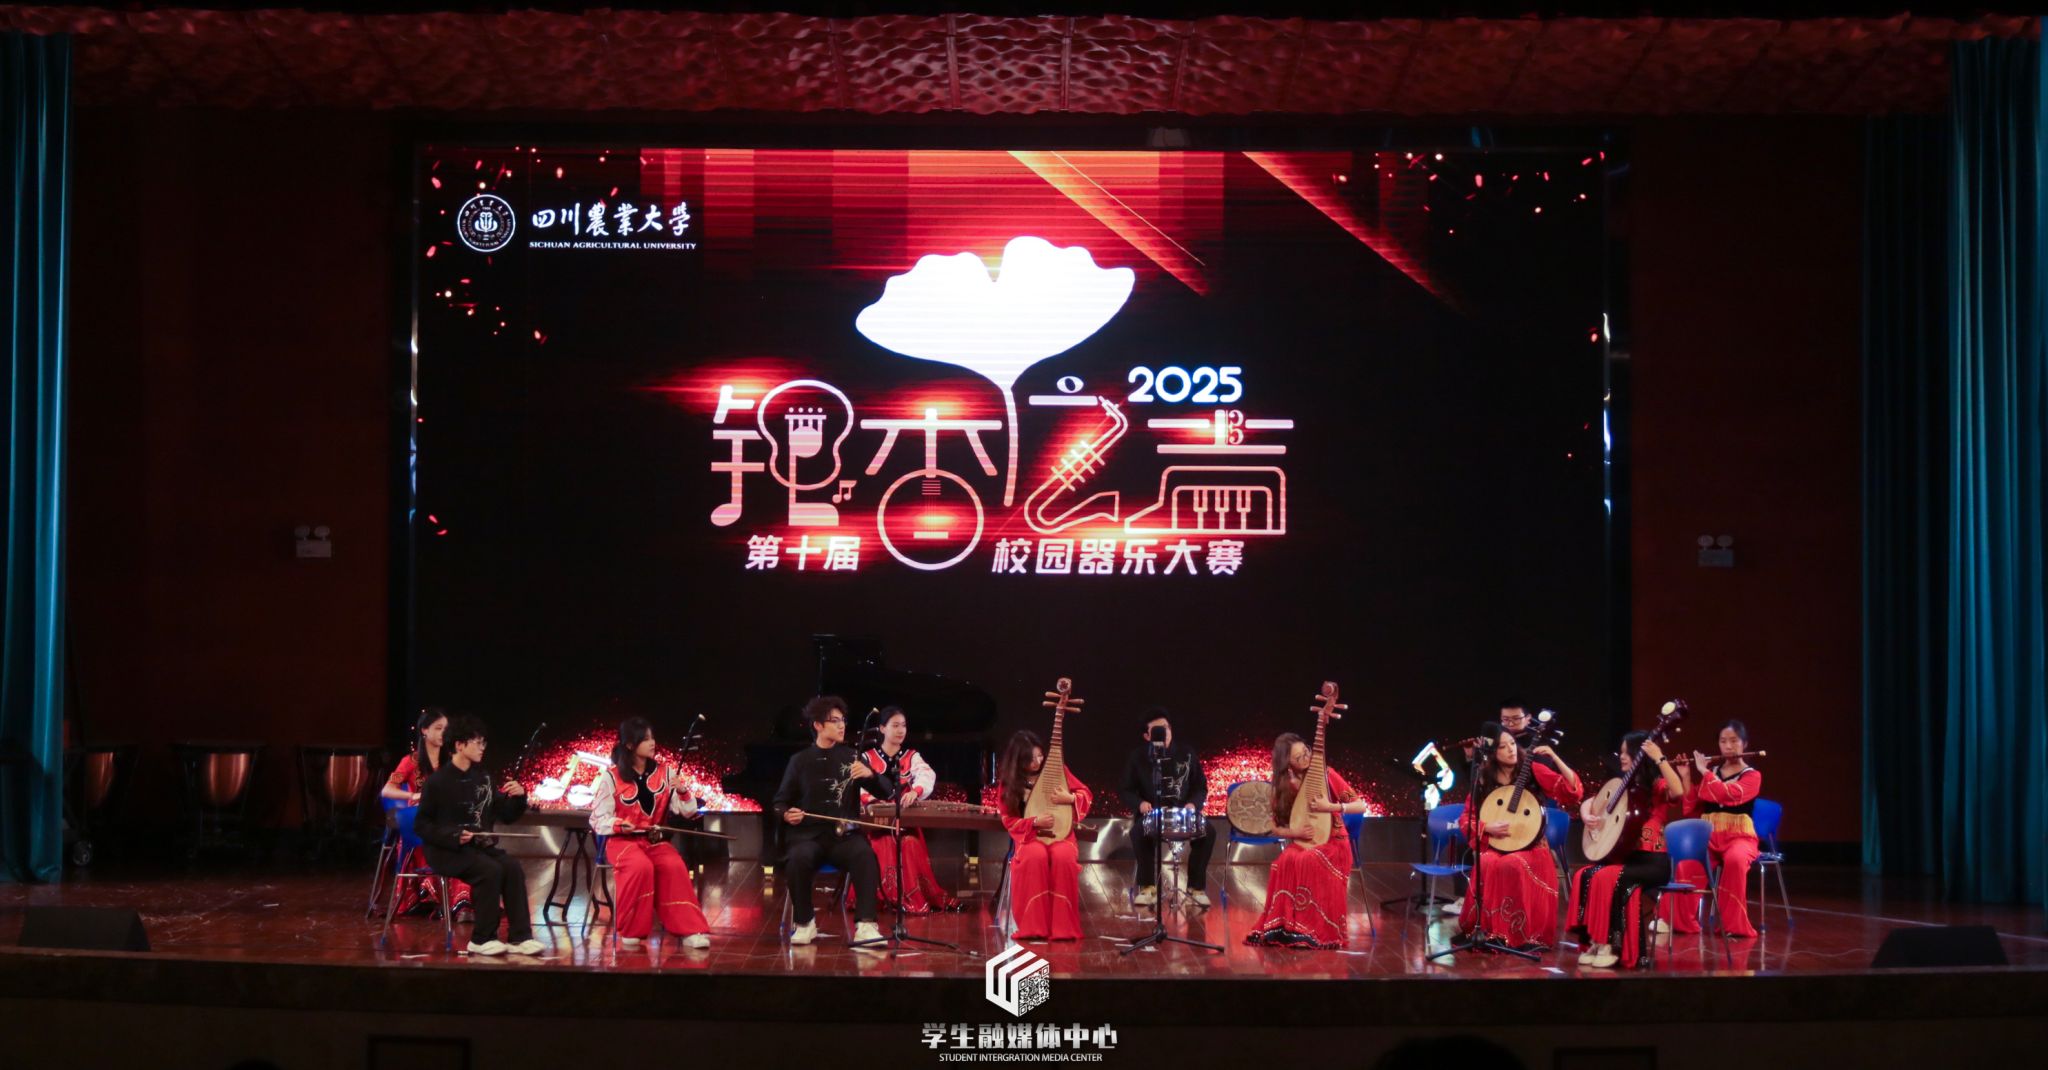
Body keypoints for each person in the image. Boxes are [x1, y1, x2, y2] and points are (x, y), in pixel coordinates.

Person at [413, 715, 546, 957]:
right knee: (489, 870)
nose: (482, 748)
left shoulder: (483, 778)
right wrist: (454, 835)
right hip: (446, 850)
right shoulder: (437, 782)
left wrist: (519, 797)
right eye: (477, 742)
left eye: (484, 742)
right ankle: (482, 938)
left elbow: (505, 815)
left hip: (478, 848)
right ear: (459, 745)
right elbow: (422, 825)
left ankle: (520, 937)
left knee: (512, 867)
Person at [772, 695, 893, 949]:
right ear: (818, 725)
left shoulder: (852, 757)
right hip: (807, 837)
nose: (841, 726)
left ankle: (866, 925)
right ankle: (805, 923)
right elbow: (780, 802)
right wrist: (786, 814)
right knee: (798, 858)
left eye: (843, 720)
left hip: (844, 837)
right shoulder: (799, 761)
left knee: (864, 855)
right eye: (834, 721)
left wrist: (870, 775)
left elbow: (887, 790)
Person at [1459, 722, 1583, 951]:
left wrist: (1555, 758)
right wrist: (1487, 827)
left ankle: (1519, 934)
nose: (1511, 750)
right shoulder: (1484, 778)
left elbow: (1572, 792)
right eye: (1503, 747)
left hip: (1532, 848)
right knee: (1486, 861)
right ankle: (1488, 931)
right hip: (1499, 845)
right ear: (1492, 753)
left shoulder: (1533, 770)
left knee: (1512, 864)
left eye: (1512, 744)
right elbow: (1467, 818)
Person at [589, 717, 711, 948]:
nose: (652, 743)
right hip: (622, 842)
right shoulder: (611, 776)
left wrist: (682, 790)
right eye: (645, 739)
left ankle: (689, 930)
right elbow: (597, 818)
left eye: (652, 737)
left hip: (653, 841)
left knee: (674, 865)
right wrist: (618, 824)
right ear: (629, 745)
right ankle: (631, 929)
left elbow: (688, 811)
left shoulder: (665, 773)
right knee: (640, 866)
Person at [1568, 731, 1683, 968]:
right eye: (1621, 752)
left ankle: (1614, 945)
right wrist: (1586, 813)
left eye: (1626, 752)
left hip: (1653, 862)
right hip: (1628, 858)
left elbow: (1678, 792)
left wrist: (1660, 758)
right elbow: (1592, 802)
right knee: (1585, 874)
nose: (1621, 756)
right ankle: (1595, 940)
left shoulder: (1656, 785)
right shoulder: (1623, 785)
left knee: (1612, 877)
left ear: (1639, 754)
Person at [1246, 732, 1371, 948]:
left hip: (1334, 844)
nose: (1306, 758)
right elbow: (1273, 827)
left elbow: (1360, 806)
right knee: (1283, 861)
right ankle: (1283, 927)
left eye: (1307, 752)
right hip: (1304, 841)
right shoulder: (1283, 785)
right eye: (1299, 757)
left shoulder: (1326, 774)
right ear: (1287, 763)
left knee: (1307, 860)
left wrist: (1331, 807)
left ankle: (1309, 930)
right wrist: (1295, 832)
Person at [850, 706, 960, 913]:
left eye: (903, 726)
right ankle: (882, 897)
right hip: (877, 824)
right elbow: (857, 787)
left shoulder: (911, 756)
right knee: (883, 843)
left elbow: (927, 775)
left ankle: (910, 897)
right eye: (895, 726)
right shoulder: (868, 757)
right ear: (882, 728)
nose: (901, 730)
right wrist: (873, 801)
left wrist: (915, 792)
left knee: (909, 843)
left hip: (904, 822)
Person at [996, 730, 1093, 941]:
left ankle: (1063, 929)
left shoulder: (1057, 770)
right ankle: (1033, 927)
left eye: (1040, 756)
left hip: (1061, 835)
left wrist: (1070, 798)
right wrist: (1033, 822)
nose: (1038, 762)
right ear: (1018, 761)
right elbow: (1008, 819)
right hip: (1029, 836)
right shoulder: (1010, 782)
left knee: (1063, 857)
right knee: (1035, 856)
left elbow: (1086, 794)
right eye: (1031, 759)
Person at [1670, 719, 1763, 939]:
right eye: (1723, 741)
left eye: (1734, 741)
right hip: (1709, 836)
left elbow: (1728, 795)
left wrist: (1704, 771)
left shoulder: (1752, 775)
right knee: (1687, 863)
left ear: (1745, 743)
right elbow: (1693, 807)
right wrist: (1686, 776)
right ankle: (1682, 922)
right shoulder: (1712, 772)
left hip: (1739, 836)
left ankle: (1732, 926)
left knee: (1736, 860)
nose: (1728, 746)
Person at [380, 708, 471, 918]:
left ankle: (461, 902)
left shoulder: (451, 761)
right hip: (420, 823)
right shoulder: (410, 761)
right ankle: (437, 897)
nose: (443, 733)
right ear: (424, 730)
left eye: (445, 729)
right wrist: (413, 795)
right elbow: (387, 790)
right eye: (438, 728)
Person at [1117, 708, 1213, 909]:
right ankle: (1148, 887)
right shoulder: (1138, 757)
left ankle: (1196, 888)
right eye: (1157, 730)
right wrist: (1140, 804)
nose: (1164, 733)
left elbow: (1200, 786)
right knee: (1138, 831)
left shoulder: (1186, 753)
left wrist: (1193, 804)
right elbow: (1126, 790)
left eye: (1166, 728)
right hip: (1153, 813)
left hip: (1182, 813)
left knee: (1208, 832)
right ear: (1147, 736)